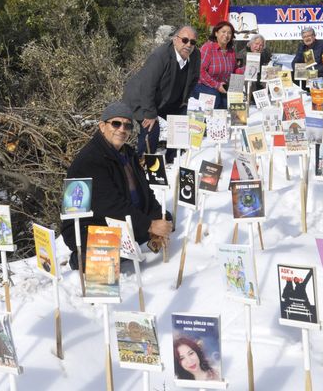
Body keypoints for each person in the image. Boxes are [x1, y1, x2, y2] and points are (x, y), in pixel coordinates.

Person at [64, 101, 173, 270]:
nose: (122, 129)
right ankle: (80, 257)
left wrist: (158, 217)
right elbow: (110, 206)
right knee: (115, 252)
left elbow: (146, 191)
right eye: (116, 123)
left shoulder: (128, 153)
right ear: (102, 126)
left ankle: (140, 237)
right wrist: (150, 226)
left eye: (127, 125)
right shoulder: (90, 160)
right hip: (91, 225)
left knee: (167, 219)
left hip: (125, 218)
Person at [124, 26, 200, 158]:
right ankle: (144, 164)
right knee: (152, 129)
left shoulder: (195, 55)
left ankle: (174, 159)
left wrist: (184, 100)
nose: (188, 45)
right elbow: (148, 85)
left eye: (192, 42)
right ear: (175, 39)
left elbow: (193, 78)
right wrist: (150, 113)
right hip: (141, 97)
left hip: (167, 98)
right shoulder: (160, 56)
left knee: (180, 122)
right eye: (185, 40)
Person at [191, 21, 237, 109]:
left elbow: (235, 70)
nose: (226, 35)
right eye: (223, 32)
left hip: (221, 87)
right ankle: (203, 120)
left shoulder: (231, 51)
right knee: (215, 98)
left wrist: (249, 68)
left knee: (229, 104)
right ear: (216, 33)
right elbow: (200, 71)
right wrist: (217, 85)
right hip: (202, 85)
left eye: (229, 33)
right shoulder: (208, 47)